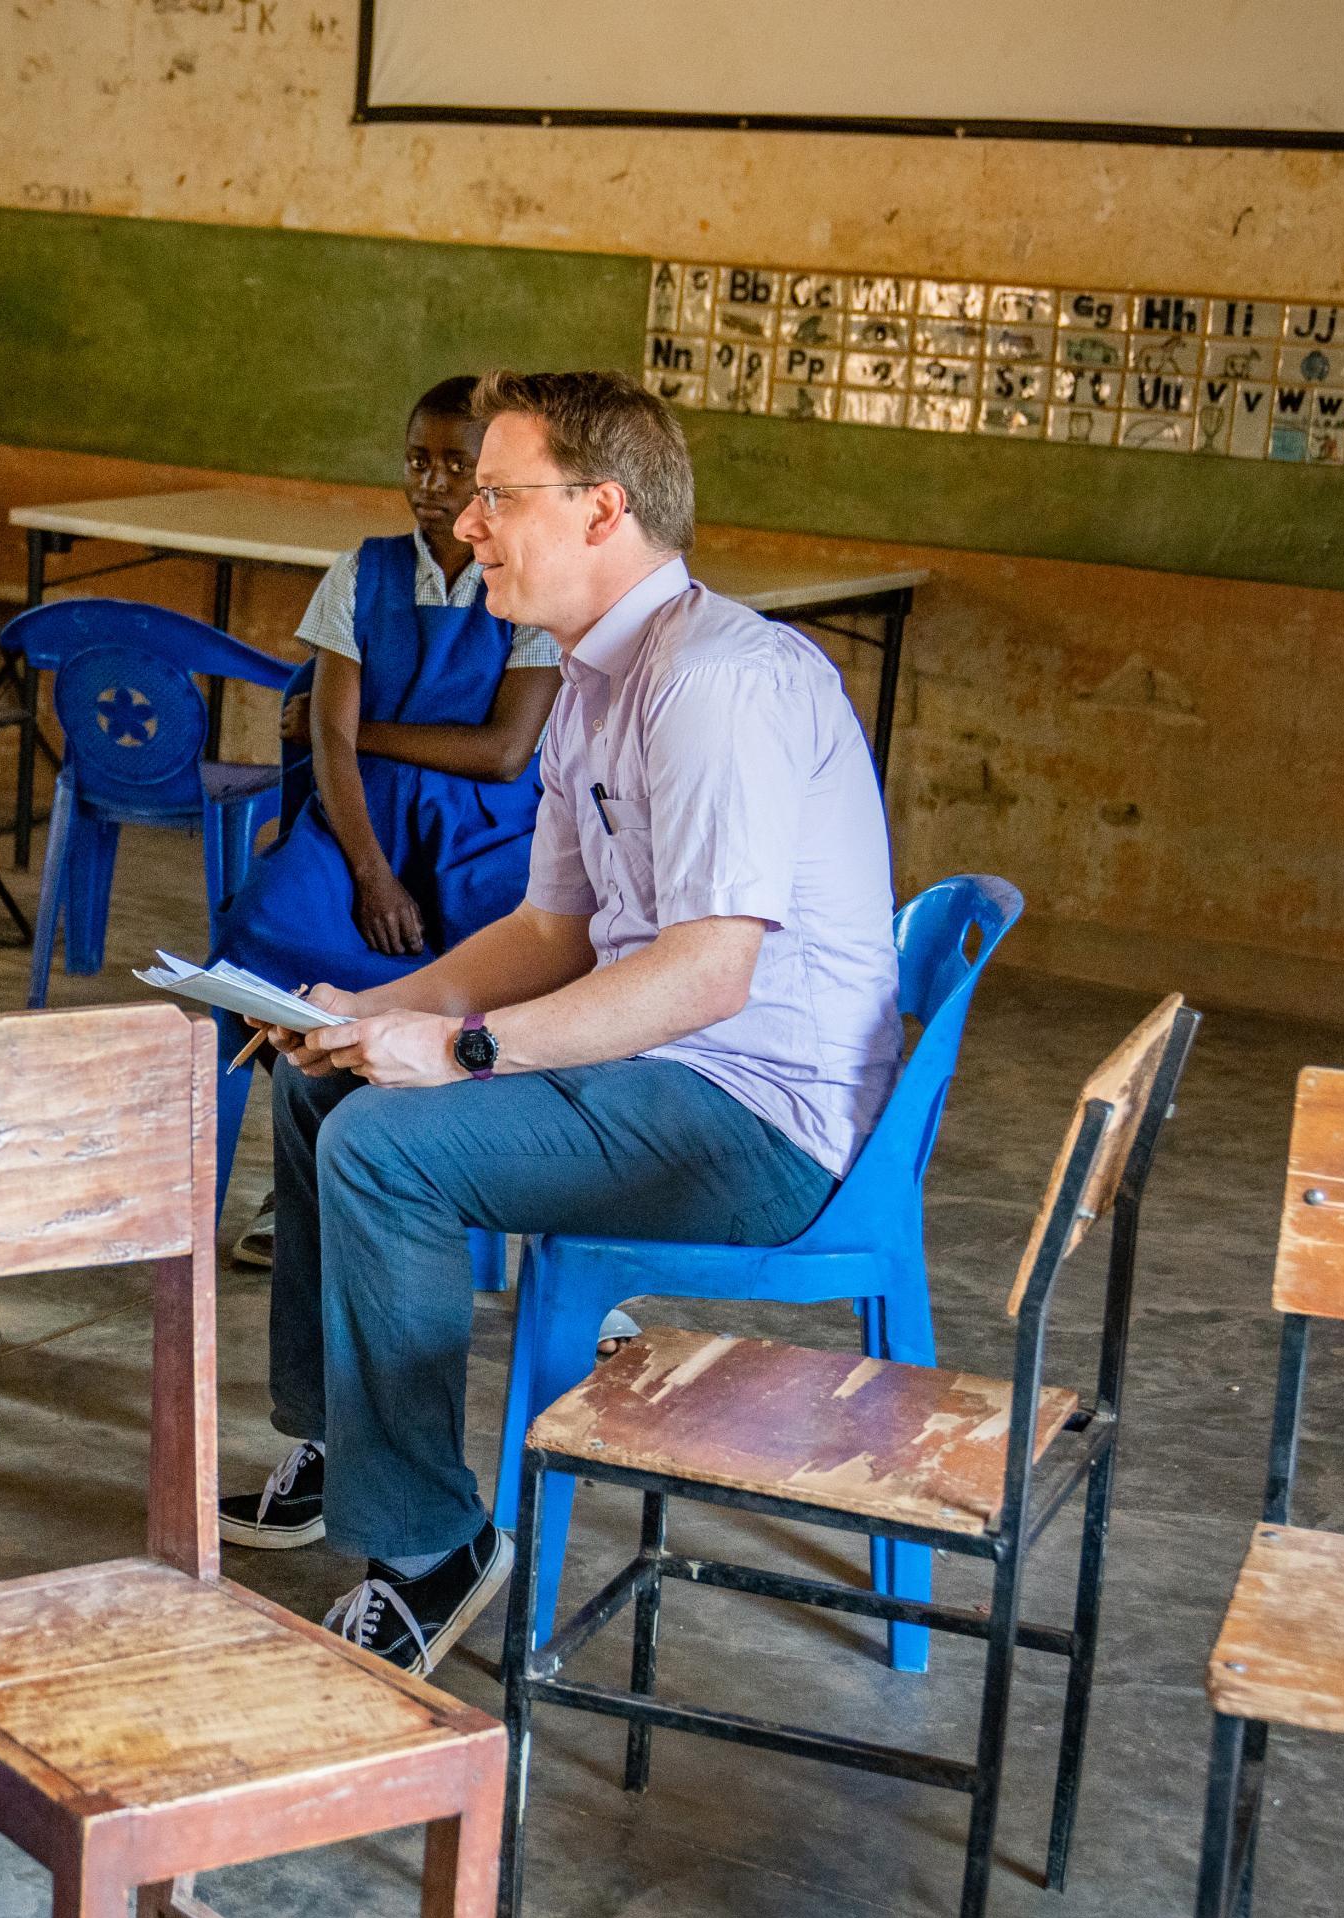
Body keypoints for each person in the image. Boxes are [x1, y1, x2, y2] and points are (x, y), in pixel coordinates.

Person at [226, 372, 903, 1676]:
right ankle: (345, 1448)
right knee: (327, 1082)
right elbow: (550, 931)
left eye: (499, 496)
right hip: (674, 1068)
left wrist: (462, 1048)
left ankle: (430, 1549)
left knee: (386, 1144)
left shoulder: (713, 683)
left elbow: (709, 975)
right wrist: (375, 1009)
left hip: (752, 1121)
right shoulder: (602, 677)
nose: (468, 524)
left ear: (602, 510)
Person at [220, 376, 563, 1268]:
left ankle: (471, 1176)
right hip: (360, 818)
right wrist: (371, 872)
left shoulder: (523, 575)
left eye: (458, 464)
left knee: (515, 961)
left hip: (483, 832)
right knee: (262, 928)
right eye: (419, 461)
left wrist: (359, 728)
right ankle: (312, 1147)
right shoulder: (360, 573)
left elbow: (503, 752)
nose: (434, 482)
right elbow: (326, 743)